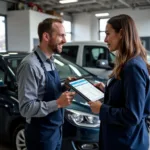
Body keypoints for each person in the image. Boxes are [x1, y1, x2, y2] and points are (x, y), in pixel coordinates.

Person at [88, 14, 150, 150]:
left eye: (108, 34)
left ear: (121, 33)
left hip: (127, 143)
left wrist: (101, 109)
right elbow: (127, 96)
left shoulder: (133, 66)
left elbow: (132, 115)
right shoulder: (128, 62)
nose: (105, 39)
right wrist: (107, 90)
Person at [17, 18, 76, 150]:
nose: (65, 40)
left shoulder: (50, 60)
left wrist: (64, 87)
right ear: (46, 36)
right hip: (40, 134)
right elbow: (26, 108)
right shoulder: (30, 65)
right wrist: (58, 103)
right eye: (61, 35)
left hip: (55, 129)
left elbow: (44, 91)